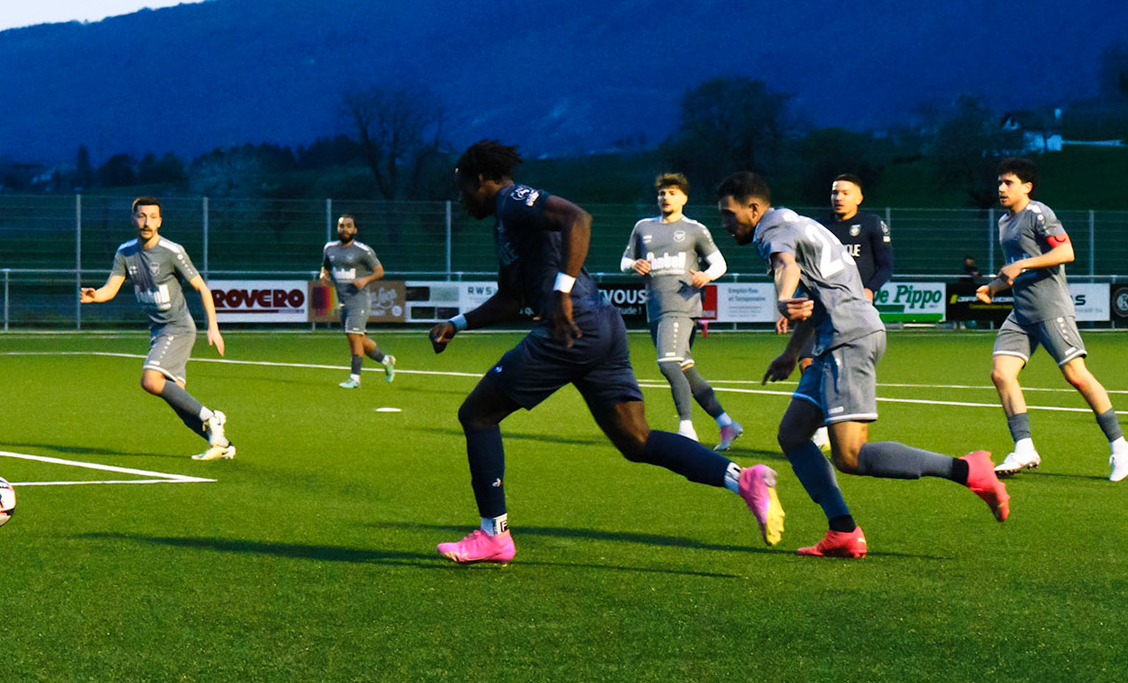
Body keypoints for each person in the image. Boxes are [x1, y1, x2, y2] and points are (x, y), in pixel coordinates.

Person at [426, 140, 782, 564]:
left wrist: (560, 293)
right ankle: (744, 481)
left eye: (463, 188)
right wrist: (458, 323)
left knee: (478, 415)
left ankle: (493, 535)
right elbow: (510, 298)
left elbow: (578, 218)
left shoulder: (511, 198)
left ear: (482, 178)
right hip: (600, 326)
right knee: (636, 440)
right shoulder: (506, 222)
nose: (461, 199)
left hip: (570, 328)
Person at [715, 171, 1007, 559]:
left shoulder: (773, 231)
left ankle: (967, 470)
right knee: (793, 434)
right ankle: (842, 531)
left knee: (850, 455)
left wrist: (782, 299)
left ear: (754, 208)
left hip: (848, 339)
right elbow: (818, 297)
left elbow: (787, 266)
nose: (725, 222)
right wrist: (791, 353)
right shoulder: (796, 222)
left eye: (729, 213)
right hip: (834, 340)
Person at [975, 160, 1128, 481]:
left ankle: (1120, 445)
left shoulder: (1039, 213)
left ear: (1027, 187)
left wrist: (1022, 266)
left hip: (1050, 309)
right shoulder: (1004, 221)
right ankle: (1024, 447)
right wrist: (994, 287)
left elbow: (1066, 253)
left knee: (1076, 376)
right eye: (1000, 182)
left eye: (1008, 182)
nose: (1001, 188)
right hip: (1021, 313)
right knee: (1001, 374)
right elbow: (1016, 265)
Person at [81, 197, 235, 460]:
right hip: (158, 330)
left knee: (150, 380)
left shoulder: (172, 251)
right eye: (142, 216)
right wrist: (96, 296)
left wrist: (213, 328)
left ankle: (212, 418)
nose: (147, 222)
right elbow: (111, 288)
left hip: (178, 327)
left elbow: (202, 288)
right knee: (179, 402)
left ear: (160, 221)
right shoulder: (125, 253)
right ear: (133, 219)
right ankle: (222, 444)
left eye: (153, 217)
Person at [619, 171, 742, 445]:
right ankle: (727, 424)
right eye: (662, 193)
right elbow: (624, 262)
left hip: (683, 305)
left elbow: (719, 263)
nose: (666, 197)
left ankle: (686, 429)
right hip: (655, 308)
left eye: (672, 193)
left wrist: (706, 275)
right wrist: (634, 265)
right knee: (685, 369)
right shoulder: (643, 227)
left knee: (667, 363)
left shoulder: (694, 229)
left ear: (684, 198)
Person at [318, 214, 396, 389]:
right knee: (359, 340)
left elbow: (379, 271)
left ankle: (355, 378)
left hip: (359, 300)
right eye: (341, 226)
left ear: (355, 230)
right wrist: (323, 274)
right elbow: (326, 266)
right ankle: (386, 360)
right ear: (338, 228)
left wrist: (365, 279)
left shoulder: (363, 251)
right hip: (342, 301)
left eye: (348, 226)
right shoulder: (329, 248)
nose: (344, 229)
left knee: (353, 337)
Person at [824, 174, 893, 301]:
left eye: (845, 193)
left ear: (859, 199)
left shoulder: (871, 223)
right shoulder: (819, 227)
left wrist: (870, 289)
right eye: (835, 193)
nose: (838, 198)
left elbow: (886, 267)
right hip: (825, 300)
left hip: (858, 301)